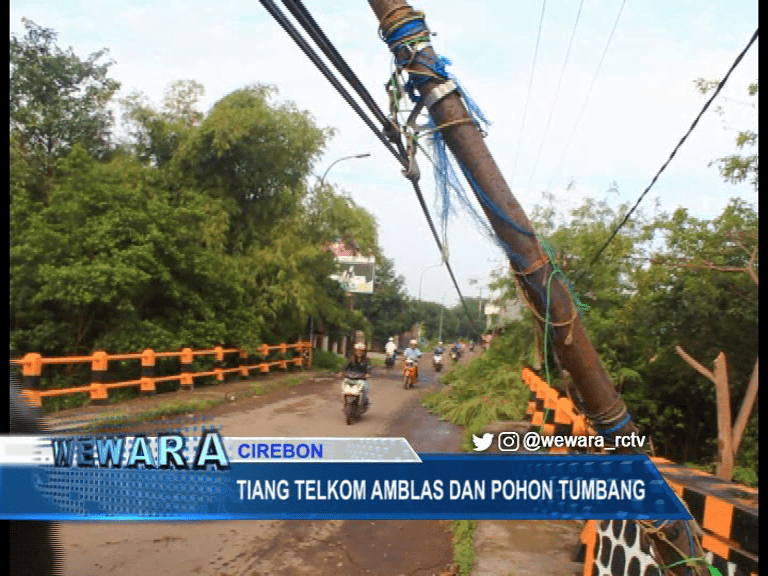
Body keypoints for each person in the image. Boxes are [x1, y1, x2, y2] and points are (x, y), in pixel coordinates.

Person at [343, 342, 372, 407]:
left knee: (365, 389)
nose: (359, 352)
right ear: (355, 351)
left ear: (364, 352)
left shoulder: (366, 359)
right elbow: (345, 366)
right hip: (350, 377)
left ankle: (364, 403)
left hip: (362, 378)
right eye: (358, 350)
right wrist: (343, 372)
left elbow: (369, 367)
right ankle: (346, 403)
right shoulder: (351, 358)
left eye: (361, 351)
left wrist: (368, 373)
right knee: (344, 388)